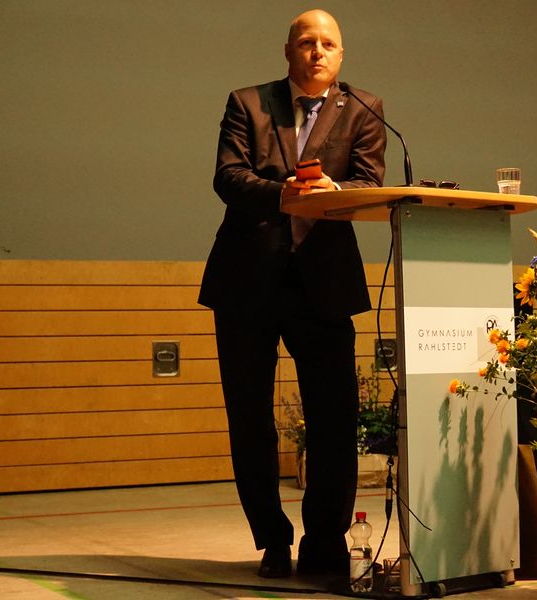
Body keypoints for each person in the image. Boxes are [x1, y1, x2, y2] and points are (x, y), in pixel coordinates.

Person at [198, 9, 386, 579]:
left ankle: (325, 542)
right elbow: (228, 176)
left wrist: (335, 191)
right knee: (249, 418)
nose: (317, 51)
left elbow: (369, 183)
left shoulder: (365, 108)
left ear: (342, 54)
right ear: (288, 50)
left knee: (335, 419)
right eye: (307, 42)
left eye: (328, 43)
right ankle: (272, 540)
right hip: (245, 280)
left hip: (323, 283)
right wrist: (283, 194)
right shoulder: (248, 102)